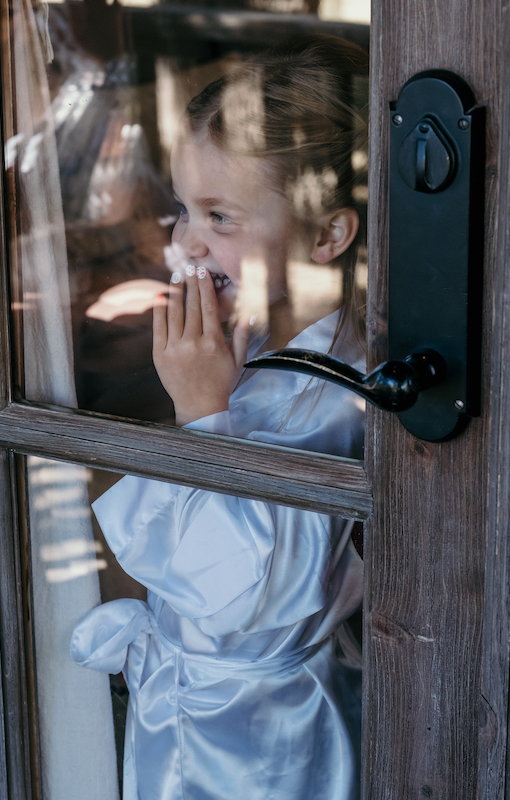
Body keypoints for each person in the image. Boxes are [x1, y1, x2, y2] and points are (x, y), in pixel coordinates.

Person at [71, 34, 367, 800]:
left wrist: (202, 411)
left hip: (259, 740)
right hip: (185, 712)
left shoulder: (345, 390)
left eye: (220, 217)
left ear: (329, 234)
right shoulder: (254, 337)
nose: (184, 243)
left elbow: (243, 602)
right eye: (181, 209)